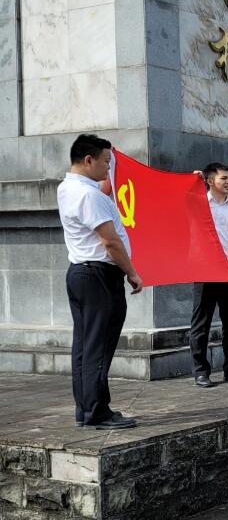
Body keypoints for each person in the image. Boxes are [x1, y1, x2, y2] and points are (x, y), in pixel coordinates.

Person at [57, 134, 143, 429]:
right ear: (88, 160)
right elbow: (111, 242)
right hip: (99, 277)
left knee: (84, 346)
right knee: (99, 346)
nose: (109, 167)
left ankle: (86, 409)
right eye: (106, 161)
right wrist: (132, 272)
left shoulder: (67, 188)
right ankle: (97, 412)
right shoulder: (88, 195)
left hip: (81, 273)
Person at [189, 162, 228, 388]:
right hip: (205, 273)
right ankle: (200, 372)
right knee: (200, 326)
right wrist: (191, 183)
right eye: (223, 178)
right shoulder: (198, 205)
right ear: (209, 181)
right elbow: (177, 204)